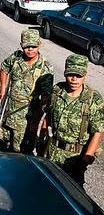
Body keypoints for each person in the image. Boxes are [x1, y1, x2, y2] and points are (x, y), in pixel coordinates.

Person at [43, 54, 103, 186]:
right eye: (71, 74)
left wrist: (86, 158)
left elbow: (98, 132)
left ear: (85, 75)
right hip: (51, 151)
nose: (74, 79)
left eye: (79, 75)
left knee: (72, 194)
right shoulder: (57, 91)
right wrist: (42, 140)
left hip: (74, 159)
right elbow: (48, 116)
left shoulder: (93, 99)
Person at [0, 29, 53, 153]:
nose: (30, 49)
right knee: (1, 144)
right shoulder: (16, 57)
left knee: (19, 152)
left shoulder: (45, 68)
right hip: (8, 111)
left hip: (26, 119)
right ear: (22, 45)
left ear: (39, 45)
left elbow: (45, 98)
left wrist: (36, 122)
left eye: (33, 46)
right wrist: (3, 87)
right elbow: (4, 68)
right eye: (27, 46)